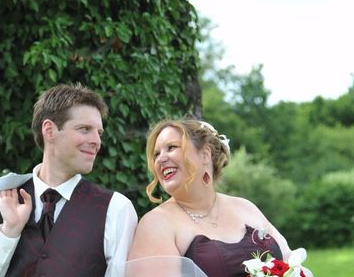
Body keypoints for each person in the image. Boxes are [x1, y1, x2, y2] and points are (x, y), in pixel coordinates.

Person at [0, 83, 138, 277]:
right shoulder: (3, 201)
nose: (97, 141)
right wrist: (8, 232)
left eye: (99, 132)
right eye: (85, 129)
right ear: (49, 130)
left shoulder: (116, 209)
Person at [127, 119, 310, 277]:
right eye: (156, 154)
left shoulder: (246, 207)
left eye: (171, 147)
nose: (160, 159)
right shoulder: (156, 224)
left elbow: (291, 262)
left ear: (205, 154)